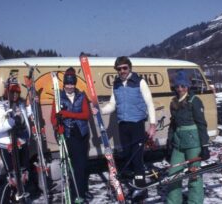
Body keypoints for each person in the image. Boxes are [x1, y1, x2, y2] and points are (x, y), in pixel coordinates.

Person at [97, 56, 156, 202]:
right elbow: (112, 104)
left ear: (130, 67)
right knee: (127, 156)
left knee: (137, 159)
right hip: (123, 125)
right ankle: (134, 185)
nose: (122, 71)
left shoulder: (140, 82)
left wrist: (152, 125)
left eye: (125, 68)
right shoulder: (116, 84)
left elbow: (150, 104)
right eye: (119, 69)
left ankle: (141, 190)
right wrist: (100, 110)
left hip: (137, 124)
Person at [166, 70, 210, 204]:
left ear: (187, 86)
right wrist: (169, 142)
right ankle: (173, 201)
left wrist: (205, 146)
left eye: (183, 86)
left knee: (194, 174)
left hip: (193, 142)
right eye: (177, 86)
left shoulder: (194, 101)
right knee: (173, 174)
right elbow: (173, 124)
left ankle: (195, 201)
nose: (180, 89)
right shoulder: (173, 102)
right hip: (178, 143)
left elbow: (202, 124)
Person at [51, 67, 91, 203]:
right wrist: (57, 126)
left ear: (75, 83)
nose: (70, 86)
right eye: (67, 84)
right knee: (73, 166)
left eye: (72, 83)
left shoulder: (81, 96)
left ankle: (82, 192)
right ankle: (77, 195)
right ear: (64, 84)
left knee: (82, 165)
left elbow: (86, 115)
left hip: (81, 135)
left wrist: (68, 114)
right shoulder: (58, 98)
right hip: (68, 135)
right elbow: (53, 117)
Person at [0, 78, 32, 194]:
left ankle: (23, 195)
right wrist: (10, 123)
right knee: (12, 175)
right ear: (7, 92)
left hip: (22, 142)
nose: (15, 95)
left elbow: (26, 116)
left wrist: (30, 106)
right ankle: (12, 196)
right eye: (12, 92)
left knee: (24, 172)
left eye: (17, 92)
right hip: (7, 145)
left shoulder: (20, 104)